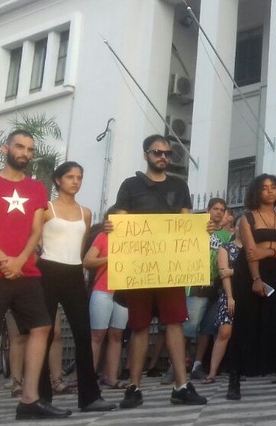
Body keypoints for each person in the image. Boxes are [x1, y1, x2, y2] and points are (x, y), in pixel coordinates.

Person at [0, 130, 69, 420]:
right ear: (6, 148)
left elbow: (37, 230)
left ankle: (29, 399)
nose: (24, 153)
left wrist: (20, 260)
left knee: (41, 327)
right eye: (20, 147)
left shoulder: (37, 188)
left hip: (26, 271)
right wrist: (3, 259)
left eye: (30, 149)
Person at [111, 134, 207, 408]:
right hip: (140, 268)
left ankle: (182, 385)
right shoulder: (130, 185)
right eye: (157, 152)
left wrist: (203, 228)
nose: (163, 157)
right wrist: (112, 226)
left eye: (167, 154)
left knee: (174, 324)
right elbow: (121, 219)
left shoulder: (179, 185)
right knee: (140, 326)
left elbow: (186, 222)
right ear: (146, 155)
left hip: (170, 268)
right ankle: (134, 387)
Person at [36, 162, 115, 412]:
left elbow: (81, 249)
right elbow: (35, 242)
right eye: (70, 177)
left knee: (83, 333)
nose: (75, 181)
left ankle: (90, 397)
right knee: (44, 335)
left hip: (73, 272)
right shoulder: (45, 209)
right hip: (47, 270)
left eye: (79, 177)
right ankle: (41, 395)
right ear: (57, 180)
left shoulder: (86, 213)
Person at [226, 174, 276, 398]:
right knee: (246, 324)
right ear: (256, 192)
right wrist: (256, 280)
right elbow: (251, 252)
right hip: (252, 272)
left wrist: (269, 251)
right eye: (264, 188)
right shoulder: (246, 219)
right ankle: (234, 380)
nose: (270, 191)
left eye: (273, 187)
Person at [83, 222, 129, 391]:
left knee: (117, 335)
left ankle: (111, 377)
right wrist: (110, 258)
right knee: (97, 335)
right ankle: (89, 377)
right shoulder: (103, 237)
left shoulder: (133, 240)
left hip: (123, 292)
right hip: (103, 290)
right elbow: (87, 261)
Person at [188, 198, 230, 381]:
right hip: (197, 284)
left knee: (207, 329)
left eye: (222, 209)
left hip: (216, 287)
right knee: (188, 328)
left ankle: (197, 364)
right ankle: (178, 364)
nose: (219, 212)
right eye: (215, 208)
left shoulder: (227, 236)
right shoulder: (196, 230)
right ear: (208, 210)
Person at [202, 222, 243, 383]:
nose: (242, 228)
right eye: (239, 225)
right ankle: (212, 372)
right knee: (224, 332)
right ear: (234, 228)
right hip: (230, 295)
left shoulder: (254, 248)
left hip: (249, 295)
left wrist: (233, 271)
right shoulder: (225, 247)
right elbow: (223, 273)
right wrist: (230, 297)